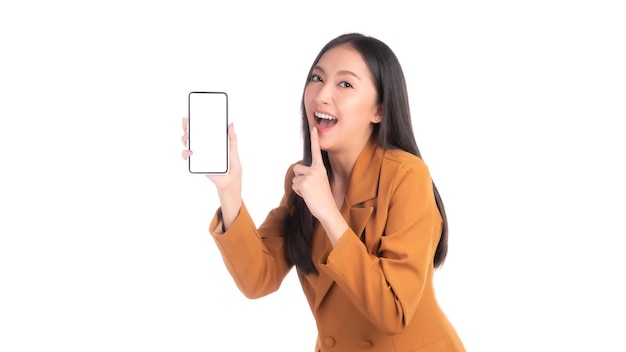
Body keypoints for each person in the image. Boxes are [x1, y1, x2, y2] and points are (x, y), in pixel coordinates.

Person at [181, 32, 465, 352]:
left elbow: (394, 311)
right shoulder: (302, 178)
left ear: (379, 110)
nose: (321, 94)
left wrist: (328, 212)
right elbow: (258, 278)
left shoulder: (407, 176)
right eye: (317, 78)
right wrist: (230, 189)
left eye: (345, 84)